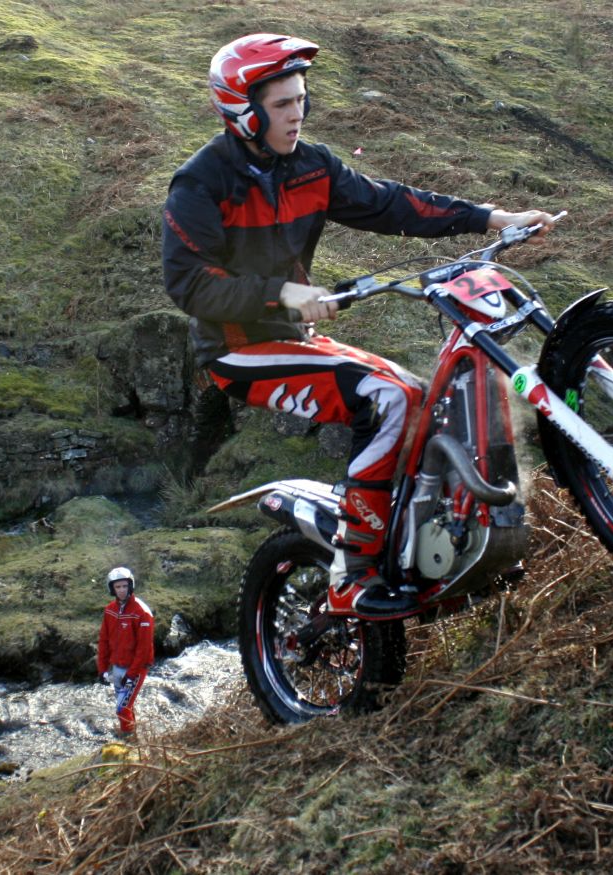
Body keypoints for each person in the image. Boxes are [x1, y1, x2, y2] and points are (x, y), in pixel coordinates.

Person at [162, 33, 557, 620]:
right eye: (282, 104)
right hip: (237, 349)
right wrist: (283, 295)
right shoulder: (200, 183)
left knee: (422, 400)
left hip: (293, 338)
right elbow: (189, 284)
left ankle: (421, 541)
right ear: (242, 112)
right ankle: (352, 571)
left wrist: (493, 218)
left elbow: (391, 203)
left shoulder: (313, 166)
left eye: (301, 100)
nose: (297, 114)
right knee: (389, 398)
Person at [96, 566, 155, 735]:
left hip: (136, 669)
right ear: (112, 589)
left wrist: (132, 674)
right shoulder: (109, 610)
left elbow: (144, 648)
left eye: (124, 586)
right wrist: (102, 669)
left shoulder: (142, 612)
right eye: (117, 587)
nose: (121, 590)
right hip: (117, 667)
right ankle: (134, 736)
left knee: (121, 709)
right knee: (126, 707)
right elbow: (104, 641)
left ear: (131, 586)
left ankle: (128, 741)